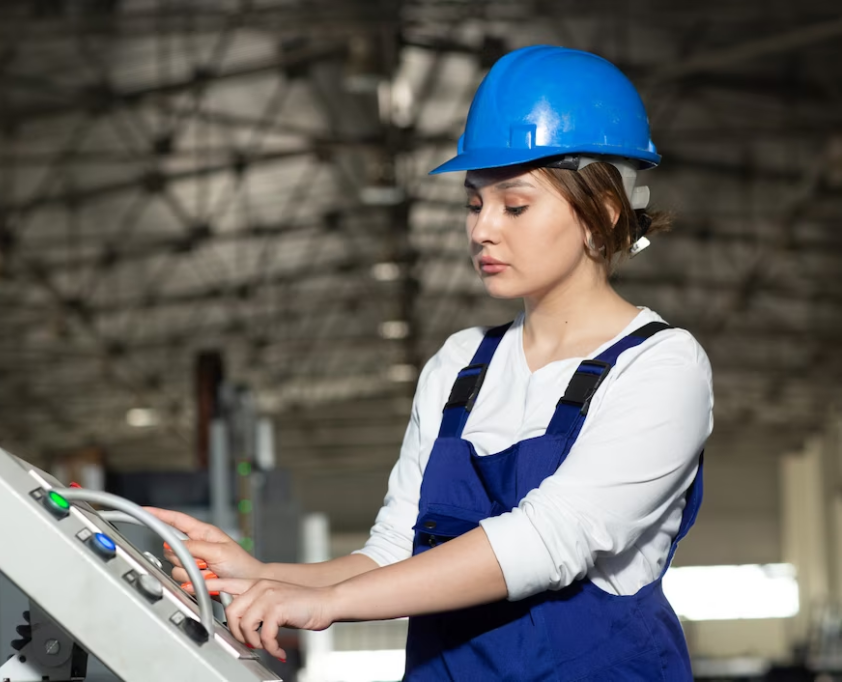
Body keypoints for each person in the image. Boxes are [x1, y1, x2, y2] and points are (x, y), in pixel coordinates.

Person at [149, 45, 713, 681]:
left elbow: (552, 540)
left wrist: (328, 603)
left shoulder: (662, 366)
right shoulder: (460, 368)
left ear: (602, 212)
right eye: (475, 204)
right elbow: (394, 551)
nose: (481, 231)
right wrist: (267, 575)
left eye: (515, 205)